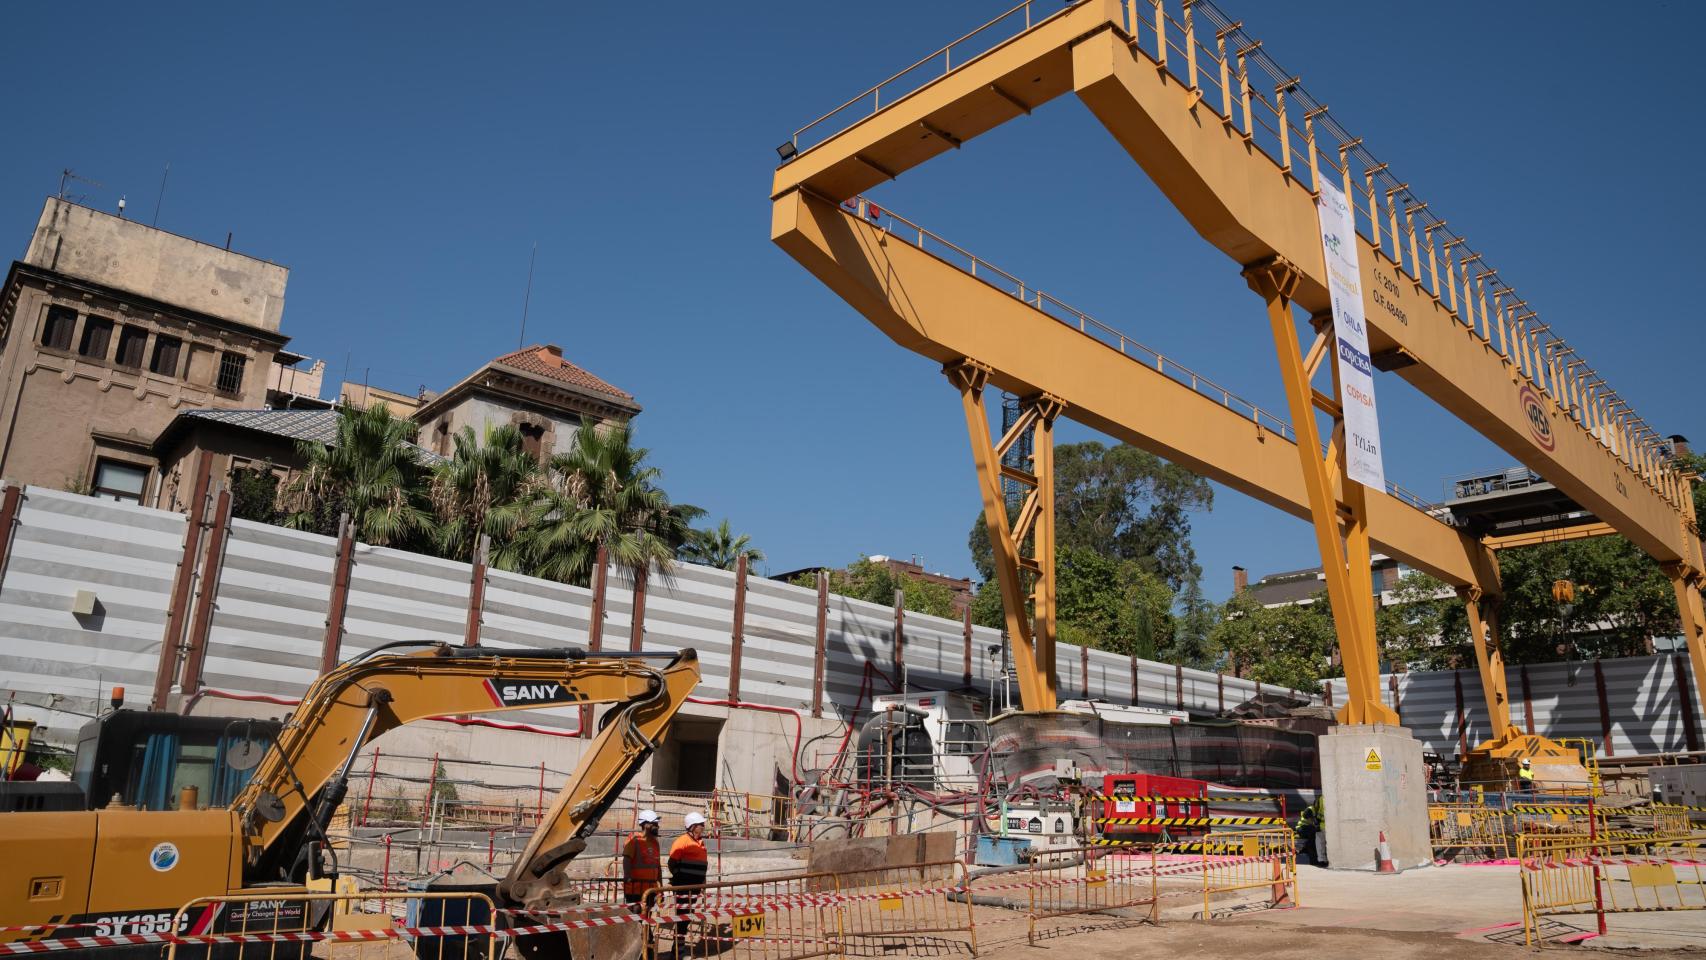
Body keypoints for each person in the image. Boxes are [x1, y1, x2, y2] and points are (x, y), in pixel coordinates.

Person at [668, 812, 710, 949]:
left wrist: (702, 881)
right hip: (683, 886)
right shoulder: (682, 842)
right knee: (682, 917)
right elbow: (671, 862)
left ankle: (678, 947)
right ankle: (677, 949)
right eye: (701, 824)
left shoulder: (700, 843)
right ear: (692, 827)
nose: (703, 827)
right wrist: (678, 877)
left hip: (694, 887)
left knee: (686, 916)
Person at [623, 810, 663, 912]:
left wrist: (660, 889)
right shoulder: (634, 840)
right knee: (635, 915)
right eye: (655, 824)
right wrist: (628, 877)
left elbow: (657, 867)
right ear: (646, 825)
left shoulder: (655, 843)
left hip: (650, 888)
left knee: (647, 915)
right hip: (635, 888)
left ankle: (646, 928)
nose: (657, 826)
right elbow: (627, 859)